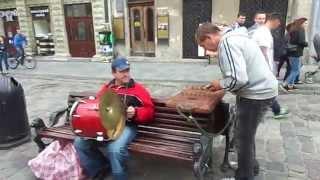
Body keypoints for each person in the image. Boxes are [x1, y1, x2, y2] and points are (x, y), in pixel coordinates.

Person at [195, 23, 278, 180]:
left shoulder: (227, 42)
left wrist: (220, 84)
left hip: (256, 95)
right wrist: (223, 83)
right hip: (262, 91)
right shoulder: (236, 36)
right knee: (246, 134)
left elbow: (238, 79)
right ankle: (251, 167)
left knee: (242, 139)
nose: (206, 50)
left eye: (204, 45)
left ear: (209, 37)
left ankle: (244, 176)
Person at [74, 57, 155, 180]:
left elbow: (150, 111)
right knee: (80, 143)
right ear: (113, 73)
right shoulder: (107, 88)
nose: (126, 74)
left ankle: (119, 176)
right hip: (106, 125)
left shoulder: (139, 90)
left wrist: (136, 112)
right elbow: (98, 106)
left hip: (128, 126)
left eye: (127, 70)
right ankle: (99, 168)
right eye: (122, 71)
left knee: (115, 149)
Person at [251, 13, 289, 119]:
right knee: (266, 90)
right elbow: (263, 51)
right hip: (261, 67)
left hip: (259, 67)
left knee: (261, 90)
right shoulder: (263, 32)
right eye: (279, 22)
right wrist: (267, 68)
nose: (279, 25)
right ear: (275, 20)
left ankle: (274, 110)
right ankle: (276, 110)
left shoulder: (264, 31)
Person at [283, 17, 308, 91]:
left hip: (291, 52)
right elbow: (301, 41)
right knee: (295, 70)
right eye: (305, 23)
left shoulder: (293, 29)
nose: (306, 24)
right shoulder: (300, 29)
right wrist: (306, 44)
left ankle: (291, 84)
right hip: (296, 52)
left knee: (295, 68)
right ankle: (286, 84)